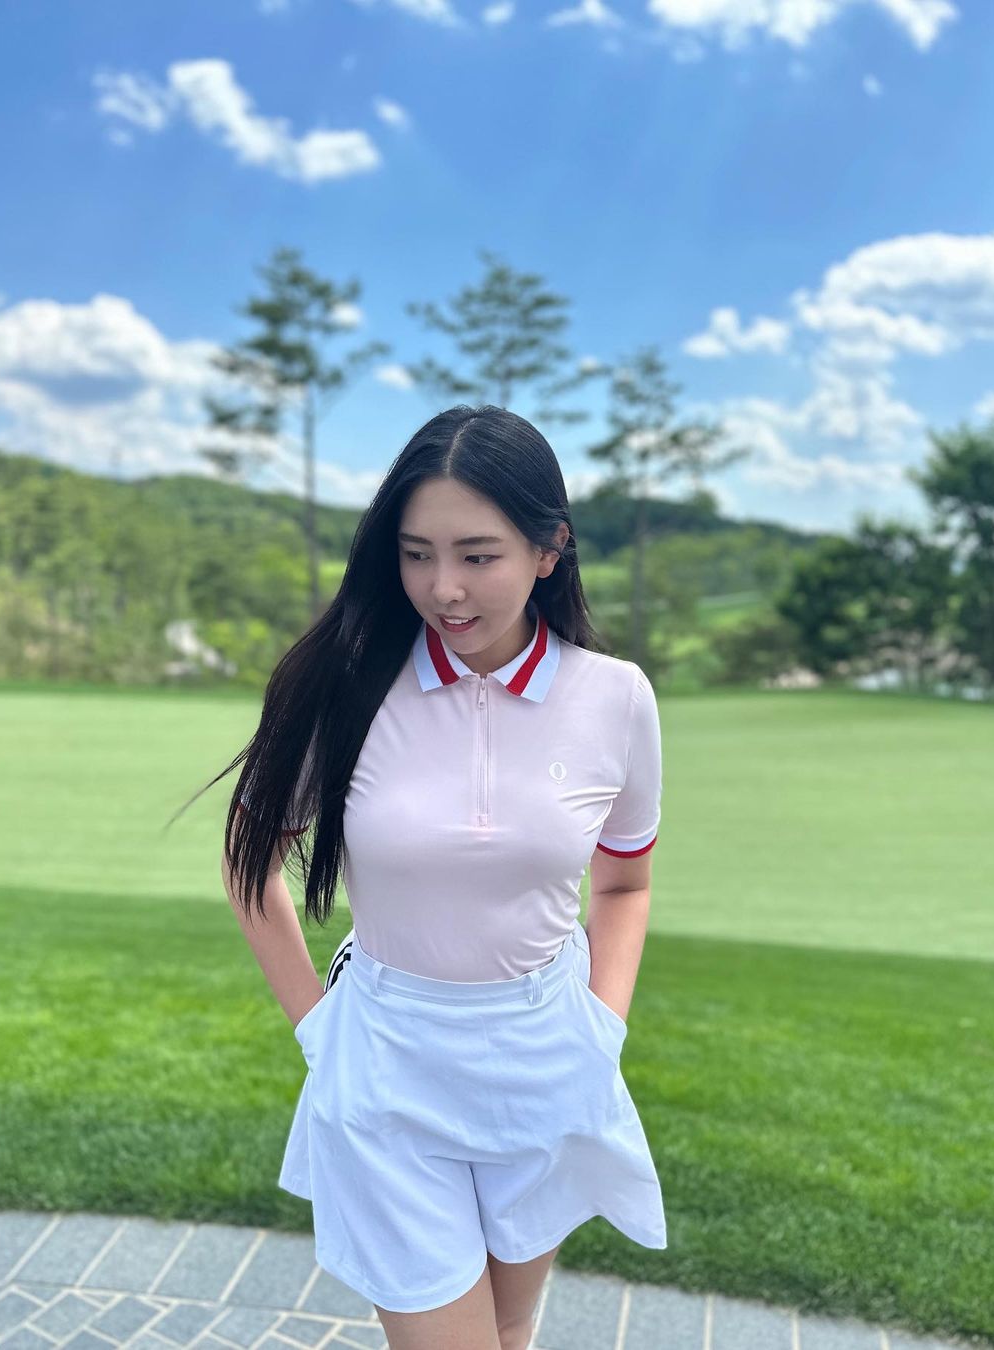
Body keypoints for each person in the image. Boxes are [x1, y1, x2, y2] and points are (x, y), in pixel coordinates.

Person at [220, 404, 665, 1350]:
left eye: (477, 555)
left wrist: (603, 1028)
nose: (443, 588)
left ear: (549, 549)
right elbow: (250, 861)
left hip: (547, 1060)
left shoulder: (617, 697)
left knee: (509, 1333)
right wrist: (318, 1030)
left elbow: (625, 884)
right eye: (416, 554)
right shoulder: (345, 685)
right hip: (387, 1065)